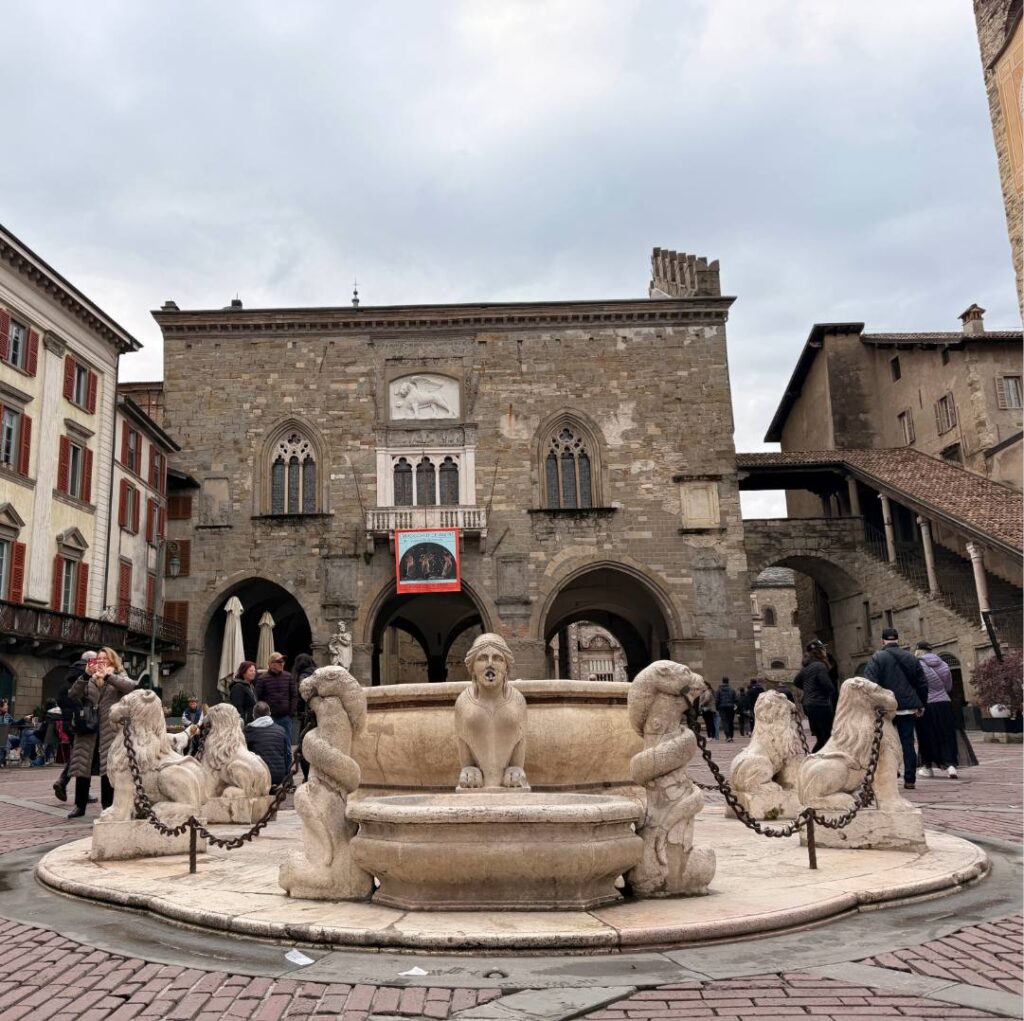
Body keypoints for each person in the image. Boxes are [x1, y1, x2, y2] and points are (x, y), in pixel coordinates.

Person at [67, 646, 136, 818]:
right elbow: (72, 695)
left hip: (108, 729)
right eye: (99, 659)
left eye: (105, 659)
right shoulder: (89, 679)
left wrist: (108, 676)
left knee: (108, 768)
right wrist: (84, 676)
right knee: (83, 766)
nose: (101, 662)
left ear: (112, 661)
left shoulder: (119, 675)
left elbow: (130, 687)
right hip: (88, 728)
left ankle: (107, 805)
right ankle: (79, 805)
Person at [863, 628, 928, 790]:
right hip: (908, 707)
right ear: (898, 640)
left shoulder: (877, 658)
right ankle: (910, 779)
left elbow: (870, 684)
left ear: (883, 641)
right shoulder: (911, 657)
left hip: (886, 709)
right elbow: (922, 683)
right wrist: (921, 703)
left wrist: (874, 705)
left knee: (886, 743)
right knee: (907, 743)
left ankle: (892, 774)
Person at [914, 642, 964, 779]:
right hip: (944, 703)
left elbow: (918, 686)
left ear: (918, 651)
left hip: (927, 704)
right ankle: (951, 766)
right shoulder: (944, 664)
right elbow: (948, 686)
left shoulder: (918, 665)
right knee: (947, 734)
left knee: (926, 736)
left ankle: (927, 767)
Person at [53, 653, 96, 801]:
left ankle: (65, 783)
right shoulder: (87, 676)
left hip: (67, 722)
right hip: (84, 722)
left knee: (79, 756)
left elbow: (60, 699)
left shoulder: (68, 676)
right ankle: (64, 782)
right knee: (84, 757)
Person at [793, 640, 838, 753]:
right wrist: (824, 692)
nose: (825, 651)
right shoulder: (819, 666)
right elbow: (828, 686)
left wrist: (808, 689)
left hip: (809, 705)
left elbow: (796, 681)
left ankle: (813, 760)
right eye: (823, 649)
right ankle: (823, 763)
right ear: (819, 651)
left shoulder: (807, 667)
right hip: (820, 705)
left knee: (821, 739)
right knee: (828, 738)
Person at [244, 701, 292, 788]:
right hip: (278, 776)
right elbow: (286, 755)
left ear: (253, 715)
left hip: (259, 776)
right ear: (269, 714)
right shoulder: (281, 730)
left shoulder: (248, 731)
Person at [256, 652, 298, 744]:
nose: (282, 663)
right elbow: (258, 698)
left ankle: (287, 759)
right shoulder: (262, 679)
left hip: (285, 717)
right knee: (270, 743)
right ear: (271, 664)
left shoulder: (288, 676)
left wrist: (291, 713)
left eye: (283, 661)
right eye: (279, 661)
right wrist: (264, 715)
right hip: (269, 717)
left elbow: (294, 695)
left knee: (286, 744)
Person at [292, 654, 317, 783]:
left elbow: (304, 695)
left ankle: (307, 776)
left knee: (304, 748)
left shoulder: (302, 677)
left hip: (307, 717)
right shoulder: (318, 674)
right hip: (319, 716)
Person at [715, 678, 738, 742]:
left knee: (725, 721)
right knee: (730, 721)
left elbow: (717, 700)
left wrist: (717, 708)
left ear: (722, 682)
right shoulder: (732, 690)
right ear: (728, 681)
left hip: (722, 707)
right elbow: (736, 699)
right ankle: (731, 735)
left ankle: (728, 736)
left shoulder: (719, 690)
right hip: (731, 707)